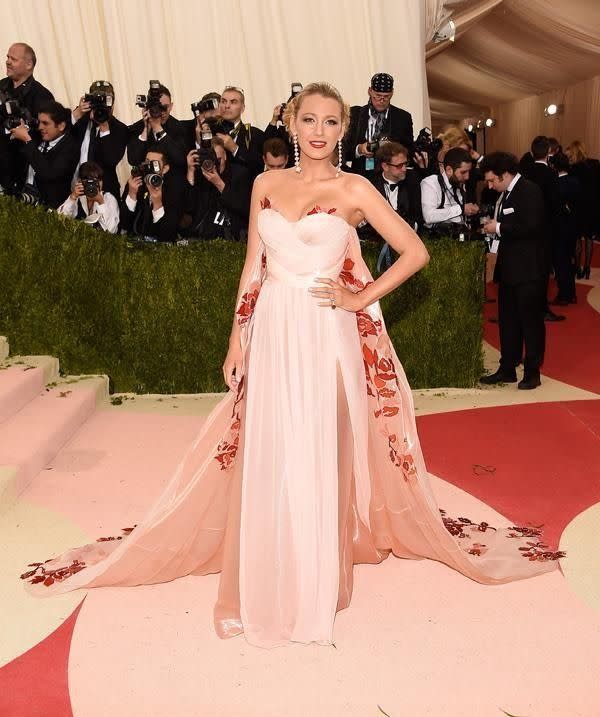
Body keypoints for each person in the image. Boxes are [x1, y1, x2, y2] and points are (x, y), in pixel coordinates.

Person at [21, 84, 564, 649]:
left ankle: (316, 576)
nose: (319, 131)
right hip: (274, 326)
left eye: (331, 122)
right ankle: (273, 555)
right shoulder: (264, 183)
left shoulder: (354, 188)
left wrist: (360, 297)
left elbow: (416, 251)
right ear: (292, 121)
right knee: (273, 444)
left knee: (317, 443)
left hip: (325, 332)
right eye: (309, 119)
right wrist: (237, 338)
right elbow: (253, 265)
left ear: (344, 129)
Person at [480, 152, 547, 390]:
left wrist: (497, 227)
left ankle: (532, 371)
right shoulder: (506, 193)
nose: (490, 185)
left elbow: (531, 227)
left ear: (505, 174)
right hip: (508, 269)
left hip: (529, 270)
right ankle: (507, 367)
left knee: (530, 322)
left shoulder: (529, 191)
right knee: (508, 321)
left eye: (492, 180)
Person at [0, 43, 54, 195]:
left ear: (29, 64)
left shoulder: (42, 96)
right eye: (7, 57)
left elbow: (44, 136)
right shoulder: (2, 85)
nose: (8, 62)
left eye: (14, 59)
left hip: (21, 173)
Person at [9, 100, 79, 208]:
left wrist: (27, 140)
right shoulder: (36, 136)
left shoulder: (70, 147)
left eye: (45, 123)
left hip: (51, 209)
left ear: (61, 126)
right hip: (24, 202)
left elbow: (48, 173)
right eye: (39, 122)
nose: (40, 127)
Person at [182, 135, 251, 241]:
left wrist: (219, 184)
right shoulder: (199, 175)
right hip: (201, 237)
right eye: (211, 161)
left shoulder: (240, 174)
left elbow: (245, 209)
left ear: (226, 156)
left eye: (218, 160)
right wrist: (190, 172)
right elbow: (188, 209)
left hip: (231, 237)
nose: (215, 165)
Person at [345, 73, 413, 177]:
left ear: (392, 93)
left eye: (386, 97)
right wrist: (359, 149)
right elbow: (342, 150)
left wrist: (393, 149)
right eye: (377, 96)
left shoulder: (402, 118)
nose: (381, 101)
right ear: (370, 91)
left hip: (389, 178)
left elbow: (409, 152)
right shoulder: (355, 114)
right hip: (359, 176)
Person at [70, 81, 129, 199]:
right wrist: (77, 113)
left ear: (113, 103)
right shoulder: (81, 120)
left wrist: (104, 128)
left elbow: (111, 160)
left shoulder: (120, 129)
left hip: (105, 193)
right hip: (75, 190)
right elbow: (60, 135)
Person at [120, 145, 184, 242]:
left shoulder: (174, 190)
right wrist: (132, 195)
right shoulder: (136, 183)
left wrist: (158, 204)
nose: (149, 167)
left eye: (155, 164)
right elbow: (124, 225)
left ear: (165, 168)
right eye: (147, 162)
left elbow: (168, 235)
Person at [420, 147, 479, 236]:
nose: (467, 177)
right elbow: (428, 216)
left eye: (469, 172)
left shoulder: (459, 183)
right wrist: (461, 209)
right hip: (437, 242)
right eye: (463, 172)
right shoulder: (430, 183)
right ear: (449, 170)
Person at [565, 140, 600, 279]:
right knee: (589, 239)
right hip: (592, 208)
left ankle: (577, 269)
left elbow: (571, 191)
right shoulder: (594, 165)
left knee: (578, 239)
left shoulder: (573, 169)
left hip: (578, 208)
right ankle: (587, 269)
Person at [215, 86, 265, 180]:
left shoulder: (255, 134)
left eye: (233, 102)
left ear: (242, 108)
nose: (227, 106)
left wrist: (235, 149)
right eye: (223, 101)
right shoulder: (210, 132)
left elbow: (258, 168)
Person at [550, 152, 579, 305]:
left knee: (560, 262)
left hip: (558, 228)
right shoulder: (575, 182)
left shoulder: (555, 184)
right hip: (572, 227)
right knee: (569, 260)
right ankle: (571, 293)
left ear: (554, 166)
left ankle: (564, 295)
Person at [57, 160, 119, 233]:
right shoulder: (77, 197)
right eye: (90, 181)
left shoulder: (109, 198)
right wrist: (72, 197)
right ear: (80, 181)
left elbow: (112, 231)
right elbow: (60, 221)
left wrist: (101, 203)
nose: (93, 185)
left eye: (97, 181)